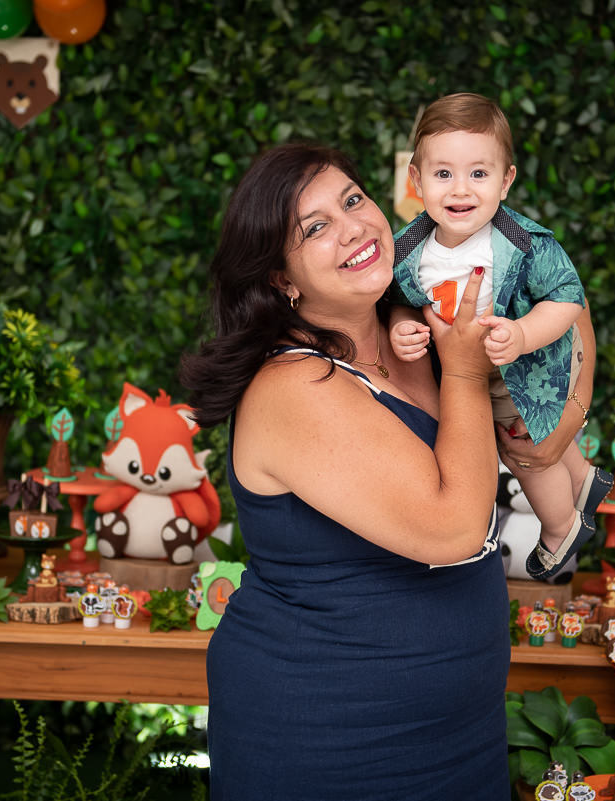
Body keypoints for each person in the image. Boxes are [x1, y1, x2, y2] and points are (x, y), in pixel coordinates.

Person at [181, 142, 562, 799]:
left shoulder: (410, 331)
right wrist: (468, 371)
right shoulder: (291, 385)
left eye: (353, 199)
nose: (355, 225)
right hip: (331, 743)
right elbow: (453, 528)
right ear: (282, 278)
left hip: (457, 739)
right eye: (316, 227)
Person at [388, 92, 612, 582]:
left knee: (524, 448)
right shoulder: (407, 251)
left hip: (537, 360)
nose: (460, 189)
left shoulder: (523, 243)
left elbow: (569, 296)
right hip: (484, 371)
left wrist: (524, 333)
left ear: (506, 181)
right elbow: (400, 300)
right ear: (417, 179)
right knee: (506, 426)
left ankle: (559, 530)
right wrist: (400, 327)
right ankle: (583, 478)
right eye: (443, 173)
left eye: (479, 174)